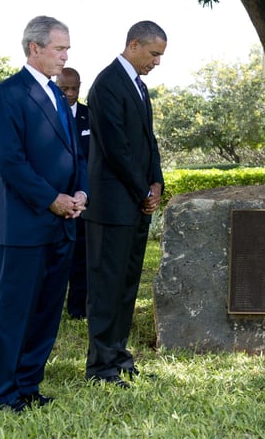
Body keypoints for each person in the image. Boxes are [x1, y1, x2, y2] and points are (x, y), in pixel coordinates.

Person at [0, 16, 88, 412]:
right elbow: (9, 161)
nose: (65, 56)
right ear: (34, 48)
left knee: (45, 311)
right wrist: (51, 199)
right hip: (25, 225)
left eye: (67, 49)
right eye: (60, 48)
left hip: (63, 223)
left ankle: (27, 385)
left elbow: (75, 153)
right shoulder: (9, 94)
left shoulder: (59, 95)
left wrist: (80, 192)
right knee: (13, 311)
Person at [84, 20, 166, 387]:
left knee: (126, 286)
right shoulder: (106, 85)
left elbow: (148, 142)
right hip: (112, 205)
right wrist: (142, 190)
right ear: (133, 44)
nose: (157, 62)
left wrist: (157, 181)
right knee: (107, 288)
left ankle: (118, 357)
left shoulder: (138, 86)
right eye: (153, 54)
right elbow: (117, 148)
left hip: (135, 203)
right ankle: (100, 367)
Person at [56, 67, 91, 319]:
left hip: (85, 199)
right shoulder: (46, 115)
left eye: (74, 89)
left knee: (82, 256)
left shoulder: (92, 116)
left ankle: (78, 308)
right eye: (63, 89)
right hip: (54, 198)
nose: (69, 94)